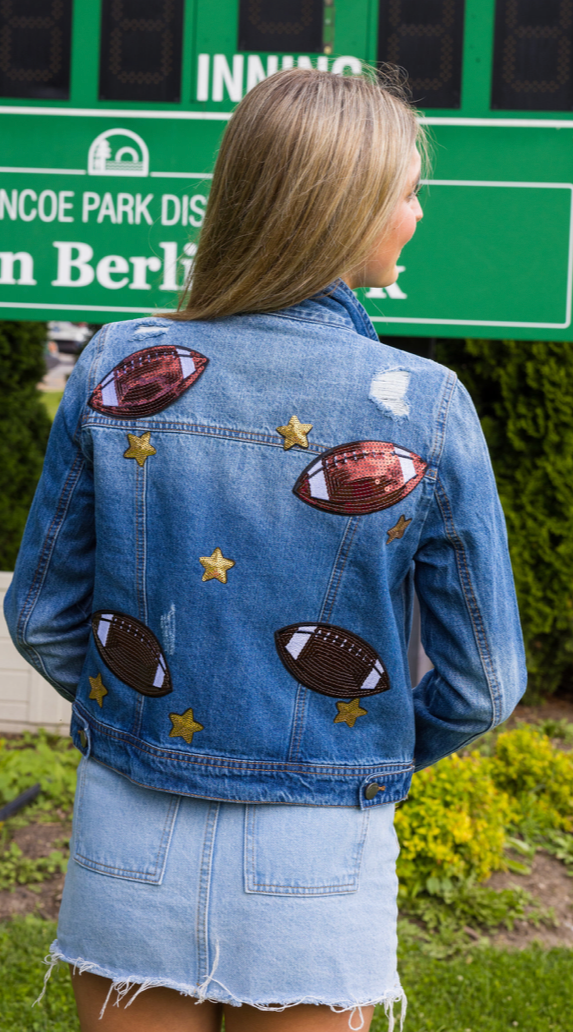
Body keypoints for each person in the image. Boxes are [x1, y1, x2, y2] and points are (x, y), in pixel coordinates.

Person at [5, 67, 526, 1032]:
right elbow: (481, 687)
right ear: (345, 206)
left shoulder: (119, 365)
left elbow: (40, 615)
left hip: (130, 820)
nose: (417, 214)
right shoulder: (425, 405)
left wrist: (140, 716)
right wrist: (352, 751)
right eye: (407, 191)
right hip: (316, 849)